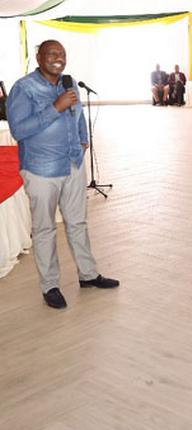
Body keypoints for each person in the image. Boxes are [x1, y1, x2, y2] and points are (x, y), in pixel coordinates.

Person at [5, 40, 119, 309]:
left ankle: (88, 275)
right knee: (44, 228)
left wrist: (82, 139)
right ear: (38, 57)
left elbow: (77, 115)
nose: (59, 58)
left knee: (78, 223)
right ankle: (50, 285)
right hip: (41, 169)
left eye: (62, 54)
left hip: (73, 165)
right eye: (52, 53)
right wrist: (54, 108)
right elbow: (19, 130)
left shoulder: (69, 82)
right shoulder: (24, 88)